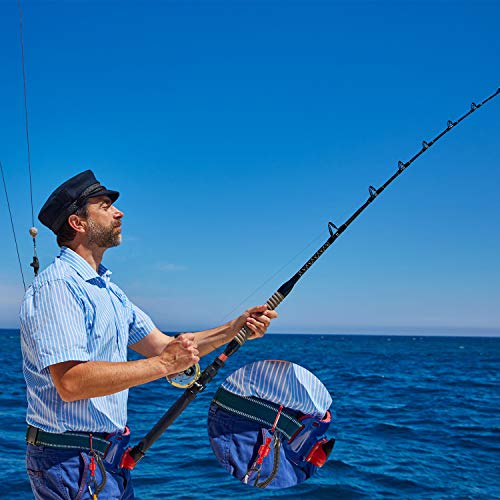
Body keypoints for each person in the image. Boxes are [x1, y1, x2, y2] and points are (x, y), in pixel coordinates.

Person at [20, 170, 278, 499]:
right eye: (104, 206)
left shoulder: (108, 292)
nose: (119, 211)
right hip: (69, 459)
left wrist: (234, 329)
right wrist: (164, 365)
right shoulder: (59, 287)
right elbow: (71, 382)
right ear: (78, 223)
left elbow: (165, 347)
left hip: (103, 459)